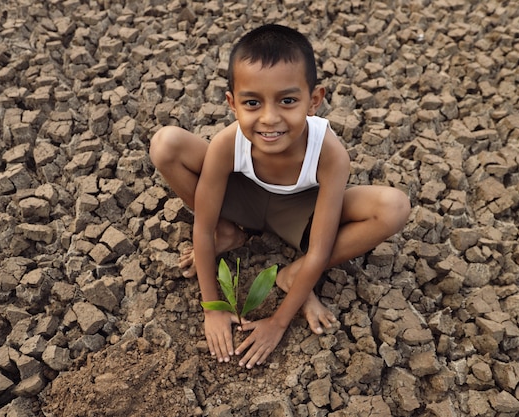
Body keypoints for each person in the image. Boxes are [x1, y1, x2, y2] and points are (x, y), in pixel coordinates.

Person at [149, 24, 411, 369]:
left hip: (301, 213)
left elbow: (319, 248)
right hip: (242, 200)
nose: (270, 118)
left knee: (394, 206)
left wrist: (278, 322)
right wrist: (212, 308)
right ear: (232, 103)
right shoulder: (228, 144)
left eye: (288, 101)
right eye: (252, 103)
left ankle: (291, 274)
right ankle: (230, 234)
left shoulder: (329, 153)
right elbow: (202, 226)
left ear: (313, 100)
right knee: (166, 143)